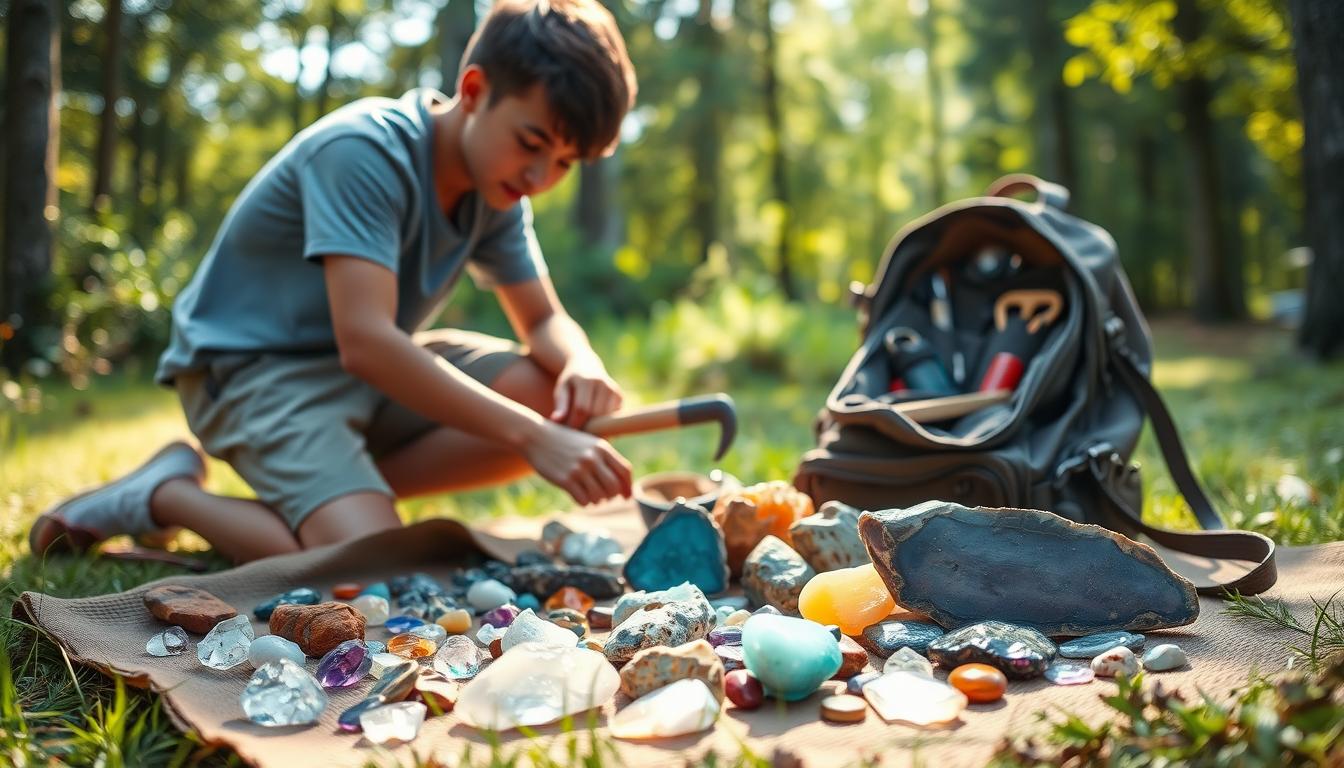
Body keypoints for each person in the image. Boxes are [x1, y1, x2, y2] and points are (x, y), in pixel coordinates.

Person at [29, 0, 639, 564]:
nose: (540, 176)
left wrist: (581, 362)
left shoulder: (498, 188)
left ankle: (341, 494)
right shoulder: (365, 153)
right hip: (250, 374)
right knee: (375, 562)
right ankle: (165, 492)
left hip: (354, 381)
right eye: (531, 143)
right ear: (475, 90)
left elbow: (542, 320)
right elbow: (367, 340)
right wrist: (533, 437)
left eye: (564, 163)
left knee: (551, 391)